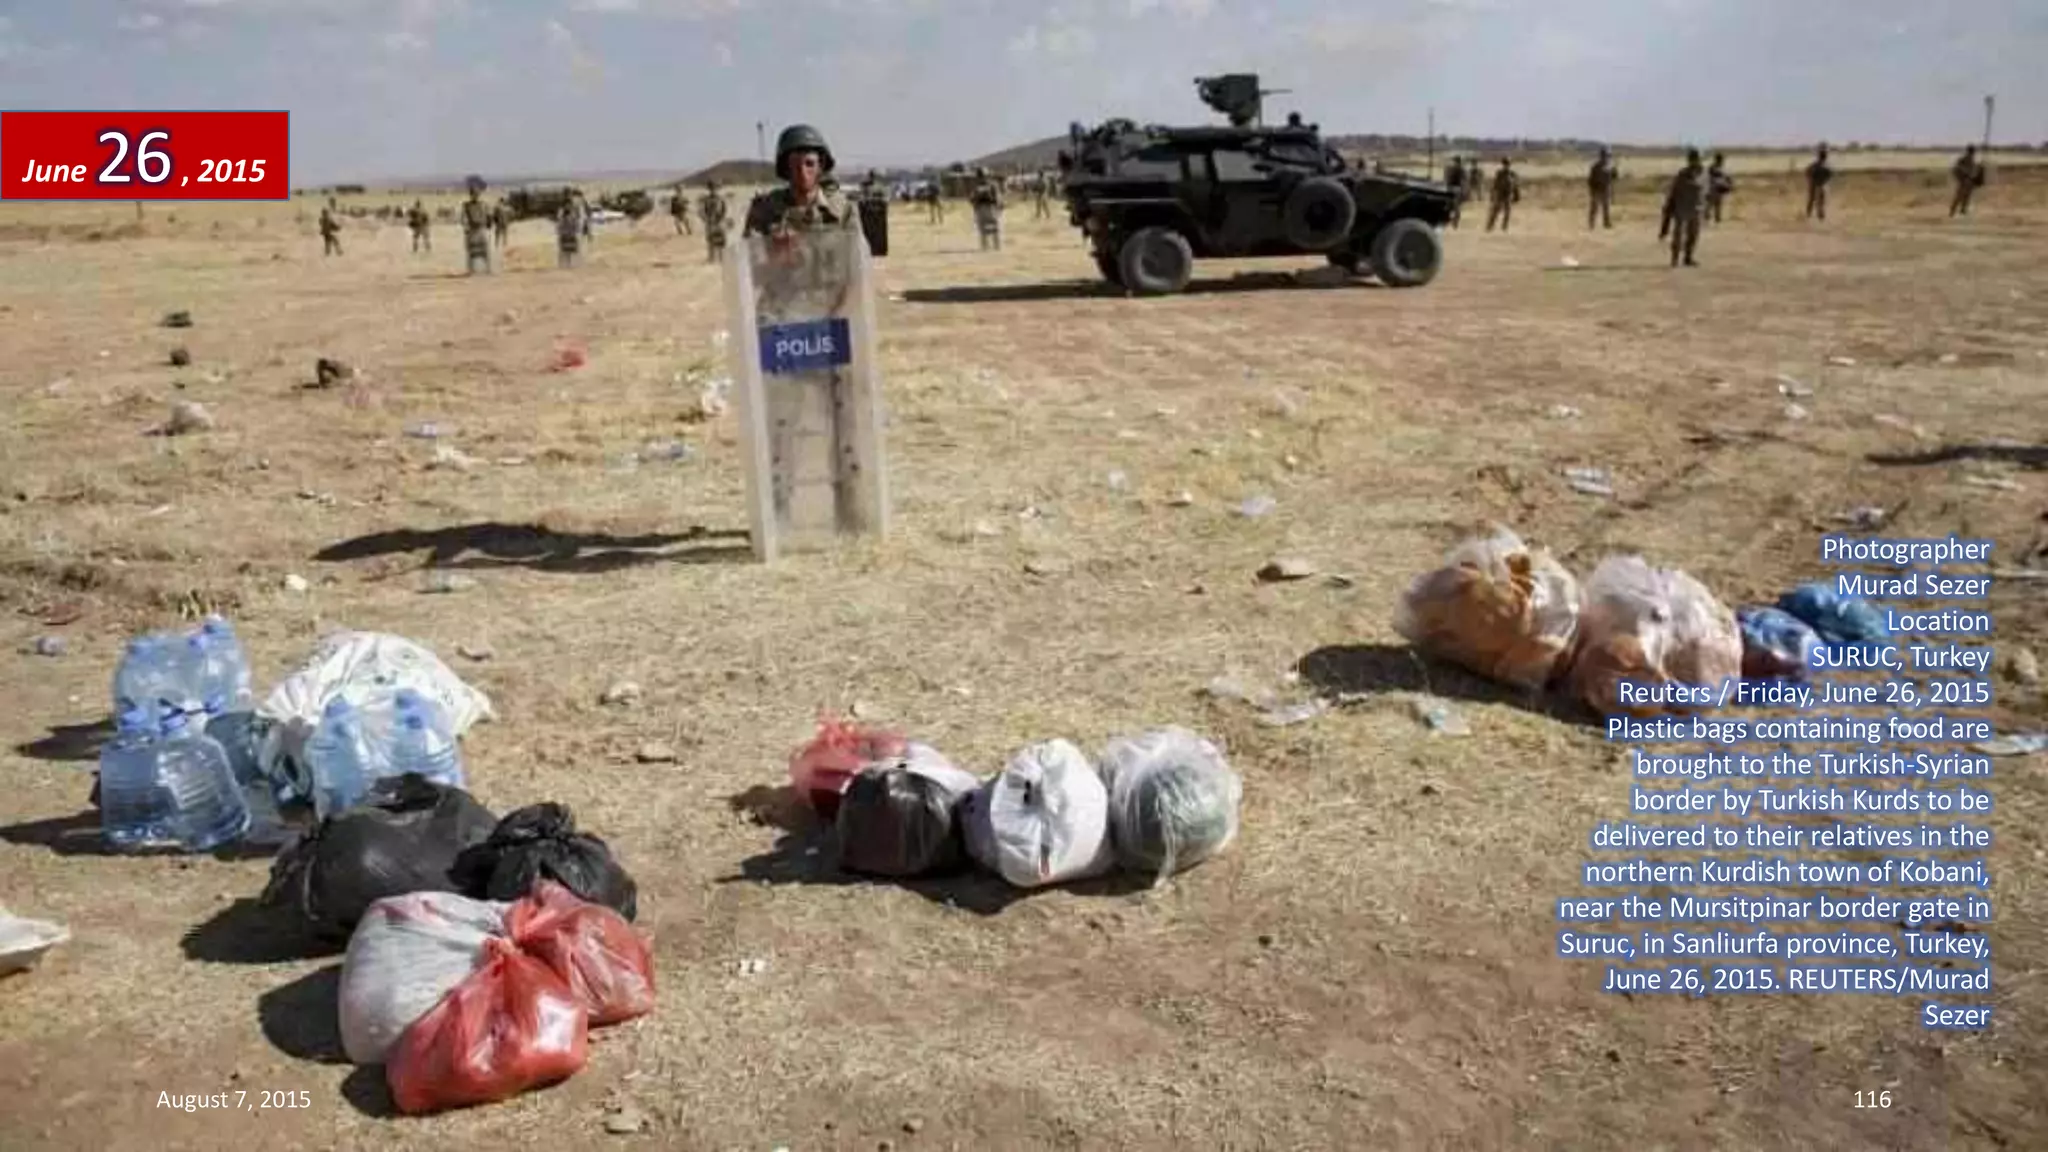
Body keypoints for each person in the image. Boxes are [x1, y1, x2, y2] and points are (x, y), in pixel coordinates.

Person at [743, 123, 864, 247]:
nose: (802, 172)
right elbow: (749, 253)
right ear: (786, 168)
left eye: (809, 164)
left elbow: (855, 254)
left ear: (820, 166)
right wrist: (772, 250)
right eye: (795, 164)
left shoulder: (843, 211)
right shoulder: (765, 210)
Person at [1659, 147, 1709, 268]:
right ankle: (1675, 258)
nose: (1695, 161)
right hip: (1682, 209)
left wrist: (1706, 208)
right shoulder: (1682, 174)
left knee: (1693, 235)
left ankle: (1688, 257)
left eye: (1697, 159)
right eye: (1693, 159)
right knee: (1678, 235)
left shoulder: (1704, 174)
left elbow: (1706, 192)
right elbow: (1674, 191)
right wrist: (1669, 207)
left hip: (1697, 209)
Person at [969, 166, 1004, 251]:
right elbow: (998, 197)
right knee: (993, 228)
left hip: (985, 208)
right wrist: (1000, 207)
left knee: (986, 228)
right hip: (989, 208)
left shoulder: (977, 186)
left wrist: (975, 206)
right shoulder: (992, 185)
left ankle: (987, 247)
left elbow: (972, 199)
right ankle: (995, 246)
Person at [459, 184, 491, 274]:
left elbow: (488, 215)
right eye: (473, 194)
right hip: (471, 230)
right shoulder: (466, 205)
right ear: (470, 195)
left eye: (477, 194)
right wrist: (466, 226)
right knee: (470, 251)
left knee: (485, 249)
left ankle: (488, 268)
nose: (475, 196)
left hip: (481, 229)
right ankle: (471, 270)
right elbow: (463, 217)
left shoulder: (483, 204)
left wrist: (488, 224)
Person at [1587, 146, 1618, 230]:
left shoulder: (1609, 167)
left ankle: (1606, 223)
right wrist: (1592, 190)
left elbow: (1614, 177)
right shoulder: (1596, 167)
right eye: (1605, 155)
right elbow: (1591, 179)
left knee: (1606, 207)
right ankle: (1591, 223)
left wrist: (1614, 170)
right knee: (1594, 208)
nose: (1606, 158)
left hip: (1606, 189)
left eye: (1607, 156)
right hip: (1597, 189)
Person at [1950, 145, 1985, 217]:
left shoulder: (1971, 160)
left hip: (1969, 181)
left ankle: (1963, 210)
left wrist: (1979, 167)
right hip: (1964, 181)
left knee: (1967, 196)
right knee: (1959, 196)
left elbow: (1974, 170)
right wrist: (1965, 173)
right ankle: (1953, 211)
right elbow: (1957, 168)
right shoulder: (1963, 159)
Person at [1485, 158, 1519, 233]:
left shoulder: (1512, 174)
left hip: (1508, 195)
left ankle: (1504, 227)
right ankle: (1489, 226)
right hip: (1500, 195)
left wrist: (1516, 195)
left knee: (1507, 212)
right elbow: (1495, 185)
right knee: (1495, 211)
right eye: (1505, 164)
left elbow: (1515, 185)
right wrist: (1492, 195)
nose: (1506, 166)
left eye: (1507, 164)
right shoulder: (1499, 174)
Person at [701, 180, 730, 263]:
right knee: (710, 240)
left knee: (721, 240)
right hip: (710, 222)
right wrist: (706, 219)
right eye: (711, 188)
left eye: (714, 188)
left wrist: (721, 219)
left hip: (720, 221)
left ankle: (722, 257)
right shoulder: (706, 199)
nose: (713, 190)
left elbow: (725, 209)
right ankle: (711, 257)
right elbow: (704, 210)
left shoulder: (721, 199)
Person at [1804, 143, 1832, 220]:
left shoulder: (1818, 166)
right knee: (1815, 199)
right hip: (1817, 183)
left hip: (1819, 183)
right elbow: (1829, 176)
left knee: (1815, 200)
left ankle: (1815, 215)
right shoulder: (1824, 166)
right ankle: (1813, 215)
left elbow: (1807, 173)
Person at [1706, 152, 1734, 224]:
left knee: (1717, 205)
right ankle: (1708, 218)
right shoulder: (1712, 168)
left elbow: (1728, 177)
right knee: (1711, 205)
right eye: (1720, 159)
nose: (1721, 161)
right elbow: (1708, 177)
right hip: (1712, 189)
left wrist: (1730, 185)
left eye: (1721, 159)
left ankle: (1717, 219)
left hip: (1719, 189)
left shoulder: (1722, 168)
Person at [555, 196, 582, 268]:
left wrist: (576, 230)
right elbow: (559, 223)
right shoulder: (561, 213)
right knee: (563, 251)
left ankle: (572, 264)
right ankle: (562, 265)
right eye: (566, 204)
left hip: (571, 234)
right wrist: (560, 231)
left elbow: (576, 222)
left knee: (572, 250)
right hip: (564, 234)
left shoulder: (573, 213)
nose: (568, 206)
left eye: (569, 204)